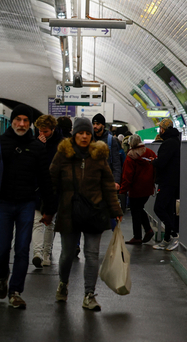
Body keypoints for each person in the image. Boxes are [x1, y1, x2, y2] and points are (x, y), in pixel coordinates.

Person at [0, 104, 56, 309]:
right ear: (12, 121)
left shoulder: (37, 148)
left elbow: (46, 180)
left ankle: (16, 291)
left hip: (26, 204)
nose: (21, 124)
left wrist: (49, 210)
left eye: (25, 121)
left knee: (22, 249)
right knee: (1, 247)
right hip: (1, 203)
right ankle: (2, 276)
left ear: (30, 124)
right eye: (18, 120)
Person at [49, 117, 123, 311]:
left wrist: (115, 209)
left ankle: (89, 294)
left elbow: (108, 185)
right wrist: (48, 209)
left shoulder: (99, 156)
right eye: (81, 133)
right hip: (68, 210)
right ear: (74, 134)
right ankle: (63, 284)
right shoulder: (63, 154)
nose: (84, 136)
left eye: (87, 133)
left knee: (92, 255)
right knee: (66, 254)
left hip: (94, 211)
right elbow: (52, 181)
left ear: (91, 135)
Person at [31, 114, 63, 268]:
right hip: (37, 188)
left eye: (46, 132)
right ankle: (37, 253)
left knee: (50, 223)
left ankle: (46, 253)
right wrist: (38, 145)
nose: (42, 134)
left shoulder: (61, 145)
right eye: (40, 131)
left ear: (53, 129)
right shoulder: (34, 143)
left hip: (53, 189)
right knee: (37, 222)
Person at [119, 134, 156, 244]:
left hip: (136, 189)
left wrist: (122, 191)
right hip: (148, 187)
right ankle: (148, 230)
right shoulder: (149, 152)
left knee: (136, 211)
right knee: (139, 208)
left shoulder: (130, 157)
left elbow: (127, 176)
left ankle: (138, 236)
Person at [150, 118, 181, 251]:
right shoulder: (175, 141)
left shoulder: (168, 143)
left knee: (159, 208)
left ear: (163, 129)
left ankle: (174, 234)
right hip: (173, 181)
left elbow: (162, 162)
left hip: (168, 181)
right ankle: (167, 238)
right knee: (169, 210)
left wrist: (153, 162)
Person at [92, 113, 122, 190]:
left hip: (106, 180)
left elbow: (116, 163)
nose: (95, 126)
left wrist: (116, 181)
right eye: (94, 124)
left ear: (103, 125)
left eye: (97, 124)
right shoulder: (90, 139)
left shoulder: (111, 140)